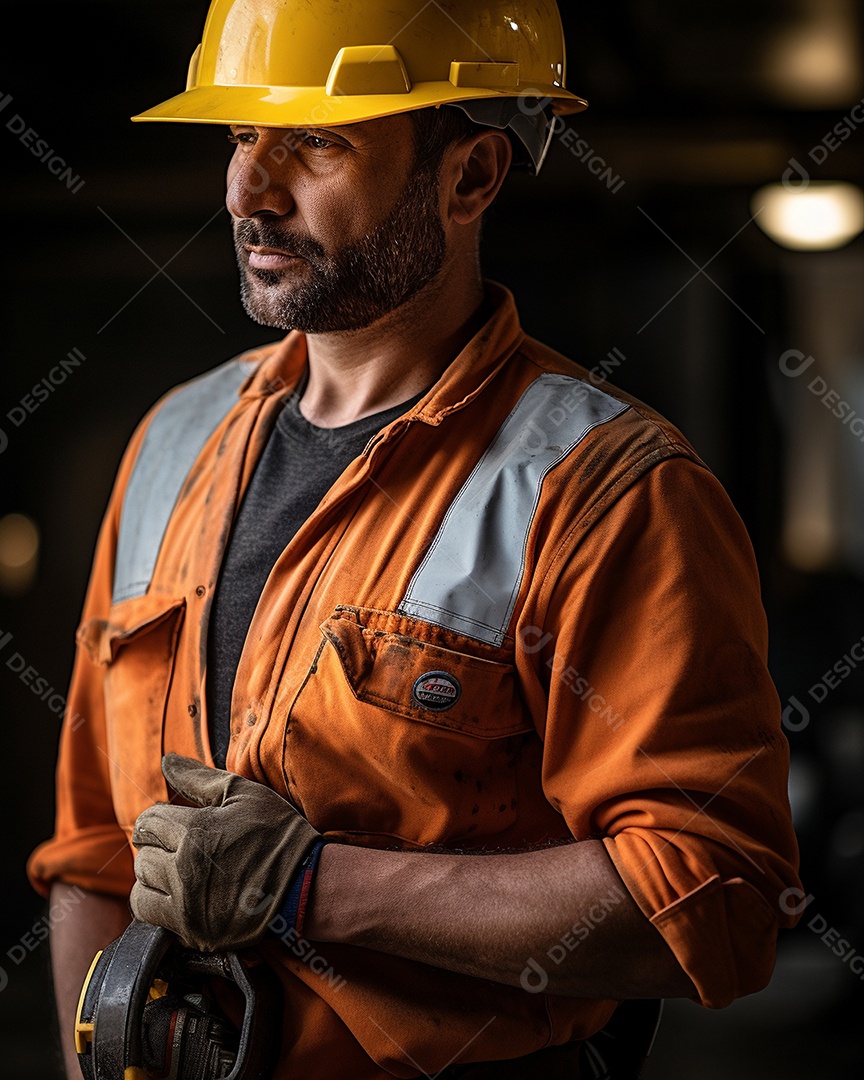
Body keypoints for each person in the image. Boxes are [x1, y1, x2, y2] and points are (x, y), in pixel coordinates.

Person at [28, 2, 803, 1077]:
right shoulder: (170, 443)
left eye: (316, 141)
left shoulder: (606, 492)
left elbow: (716, 893)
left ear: (471, 176)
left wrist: (311, 887)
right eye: (241, 136)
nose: (252, 192)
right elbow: (92, 852)